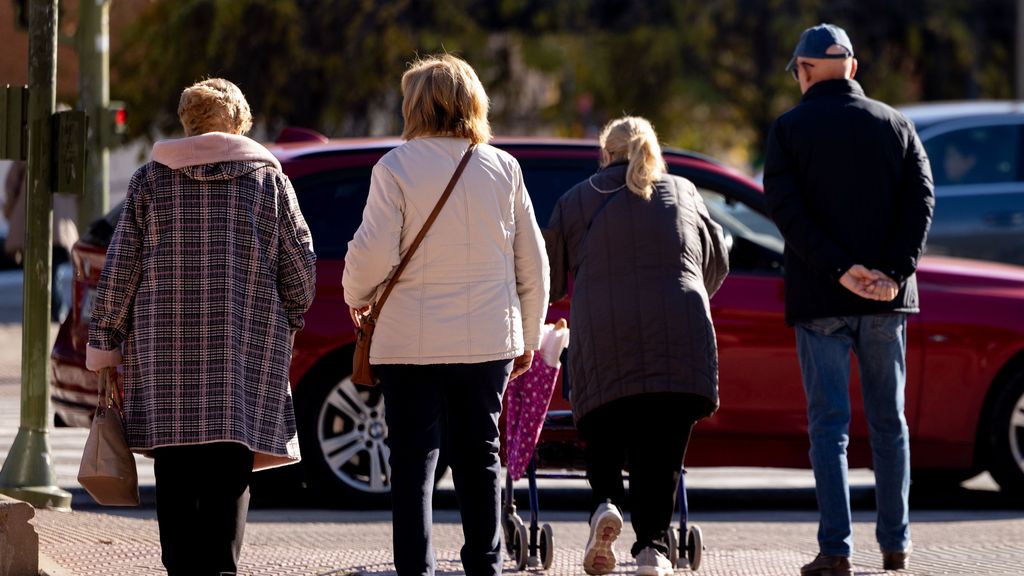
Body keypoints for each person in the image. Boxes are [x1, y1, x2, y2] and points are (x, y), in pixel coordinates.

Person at [85, 78, 316, 576]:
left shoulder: (150, 181)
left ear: (187, 123)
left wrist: (105, 345)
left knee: (173, 469)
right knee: (230, 468)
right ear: (238, 122)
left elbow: (120, 270)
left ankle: (181, 569)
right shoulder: (268, 182)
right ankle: (222, 569)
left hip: (164, 357)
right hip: (243, 352)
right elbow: (300, 270)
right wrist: (288, 319)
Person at [342, 54, 549, 576]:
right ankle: (485, 564)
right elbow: (534, 265)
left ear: (414, 106)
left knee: (413, 462)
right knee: (481, 457)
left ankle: (417, 568)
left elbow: (371, 254)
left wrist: (355, 294)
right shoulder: (504, 168)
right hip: (486, 343)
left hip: (408, 345)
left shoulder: (394, 168)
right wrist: (525, 338)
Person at [763, 23, 935, 576]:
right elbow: (922, 203)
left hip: (821, 299)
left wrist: (840, 270)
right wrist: (893, 270)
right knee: (891, 423)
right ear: (854, 69)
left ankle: (836, 551)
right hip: (888, 299)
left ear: (807, 70)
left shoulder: (788, 131)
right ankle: (896, 545)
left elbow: (788, 215)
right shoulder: (898, 124)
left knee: (829, 429)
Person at [545, 116, 729, 576]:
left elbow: (548, 278)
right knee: (661, 453)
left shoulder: (576, 199)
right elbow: (717, 263)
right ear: (652, 150)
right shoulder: (684, 191)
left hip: (604, 337)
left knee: (604, 425)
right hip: (682, 338)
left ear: (606, 154)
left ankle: (606, 502)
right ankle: (653, 549)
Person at [3, 159, 79, 321]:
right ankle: (55, 311)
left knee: (36, 272)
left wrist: (10, 210)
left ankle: (46, 312)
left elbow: (11, 185)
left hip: (35, 222)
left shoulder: (27, 154)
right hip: (60, 226)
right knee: (54, 272)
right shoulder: (66, 156)